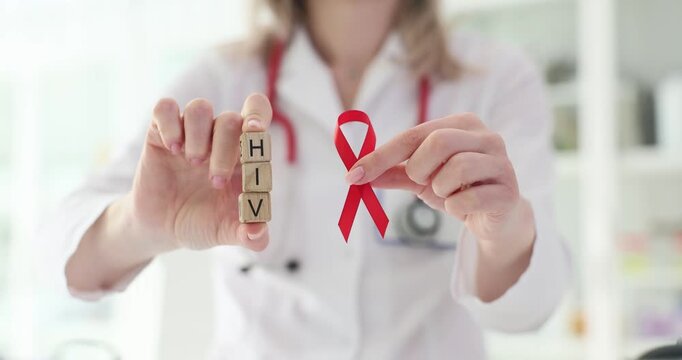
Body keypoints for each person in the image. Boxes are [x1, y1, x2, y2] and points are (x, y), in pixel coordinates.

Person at [52, 0, 570, 358]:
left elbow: (531, 307)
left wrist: (502, 231)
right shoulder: (223, 78)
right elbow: (64, 253)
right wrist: (141, 224)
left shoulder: (494, 78)